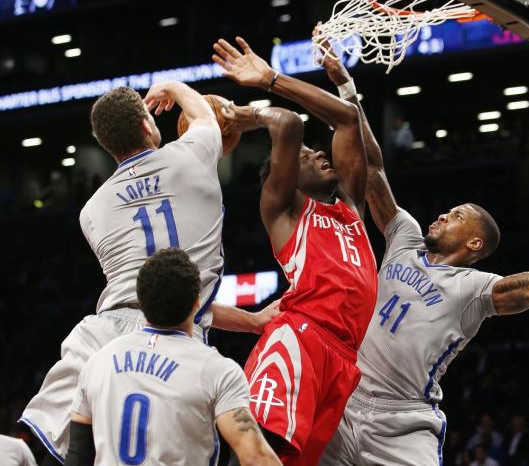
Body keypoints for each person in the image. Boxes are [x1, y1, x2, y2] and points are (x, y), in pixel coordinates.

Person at [314, 35, 529, 466]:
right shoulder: (405, 236)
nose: (442, 215)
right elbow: (375, 168)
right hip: (345, 397)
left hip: (403, 422)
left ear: (475, 243)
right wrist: (347, 89)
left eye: (456, 215)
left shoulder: (474, 289)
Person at [21, 82, 279, 464]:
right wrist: (173, 88)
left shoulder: (91, 211)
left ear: (106, 145)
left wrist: (252, 321)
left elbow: (155, 298)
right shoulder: (193, 154)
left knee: (40, 447)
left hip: (102, 340)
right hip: (177, 337)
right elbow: (205, 116)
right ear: (147, 124)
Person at [212, 37, 377, 465]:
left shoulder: (351, 205)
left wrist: (329, 81)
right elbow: (287, 126)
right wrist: (255, 101)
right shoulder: (285, 208)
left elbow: (346, 120)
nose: (319, 153)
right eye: (306, 157)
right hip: (299, 339)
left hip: (343, 359)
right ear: (288, 177)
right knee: (257, 455)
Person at [65, 248, 281, 466]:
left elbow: (77, 456)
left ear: (141, 299)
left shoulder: (98, 362)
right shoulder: (216, 369)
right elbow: (256, 458)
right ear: (198, 303)